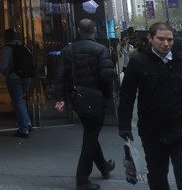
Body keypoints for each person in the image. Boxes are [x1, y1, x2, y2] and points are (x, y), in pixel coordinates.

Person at [118, 21, 182, 190]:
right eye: (161, 39)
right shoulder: (138, 63)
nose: (166, 43)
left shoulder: (179, 60)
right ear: (150, 38)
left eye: (170, 39)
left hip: (179, 127)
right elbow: (127, 96)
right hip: (152, 130)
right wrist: (124, 126)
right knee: (157, 176)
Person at [55, 18, 116, 190]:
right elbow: (107, 77)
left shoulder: (68, 50)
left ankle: (104, 166)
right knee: (90, 136)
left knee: (91, 133)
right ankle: (82, 180)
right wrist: (106, 96)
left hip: (78, 99)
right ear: (94, 30)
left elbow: (60, 76)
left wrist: (60, 98)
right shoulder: (101, 49)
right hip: (96, 99)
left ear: (79, 30)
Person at [0, 28, 34, 138]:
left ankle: (23, 129)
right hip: (26, 76)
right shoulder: (23, 47)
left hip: (14, 77)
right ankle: (28, 123)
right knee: (21, 100)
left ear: (6, 37)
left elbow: (3, 66)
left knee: (17, 101)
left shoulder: (7, 49)